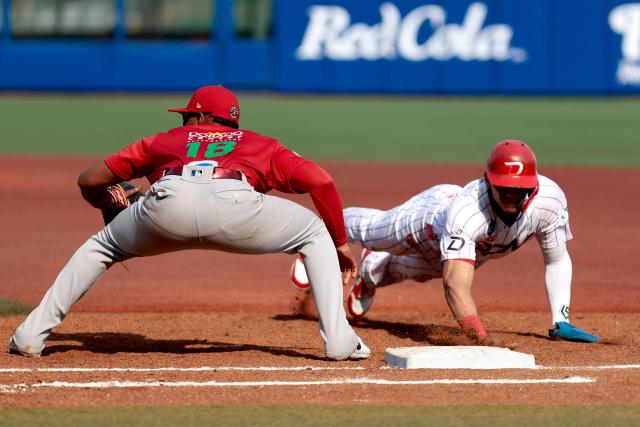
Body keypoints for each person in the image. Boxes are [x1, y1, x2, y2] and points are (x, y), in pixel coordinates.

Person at [9, 85, 369, 361]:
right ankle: (338, 340)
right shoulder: (260, 143)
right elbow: (321, 182)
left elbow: (88, 179)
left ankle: (30, 335)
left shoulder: (165, 140)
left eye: (187, 116)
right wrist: (339, 242)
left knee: (101, 247)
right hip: (236, 202)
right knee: (314, 232)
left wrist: (103, 199)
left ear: (199, 119)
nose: (183, 121)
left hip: (168, 202)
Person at [291, 140, 599, 346]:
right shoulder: (468, 210)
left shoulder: (550, 201)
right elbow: (455, 284)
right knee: (375, 231)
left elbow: (556, 258)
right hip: (427, 219)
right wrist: (478, 336)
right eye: (503, 188)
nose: (511, 196)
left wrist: (561, 319)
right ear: (487, 180)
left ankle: (370, 272)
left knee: (412, 271)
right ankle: (317, 234)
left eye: (519, 190)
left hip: (471, 249)